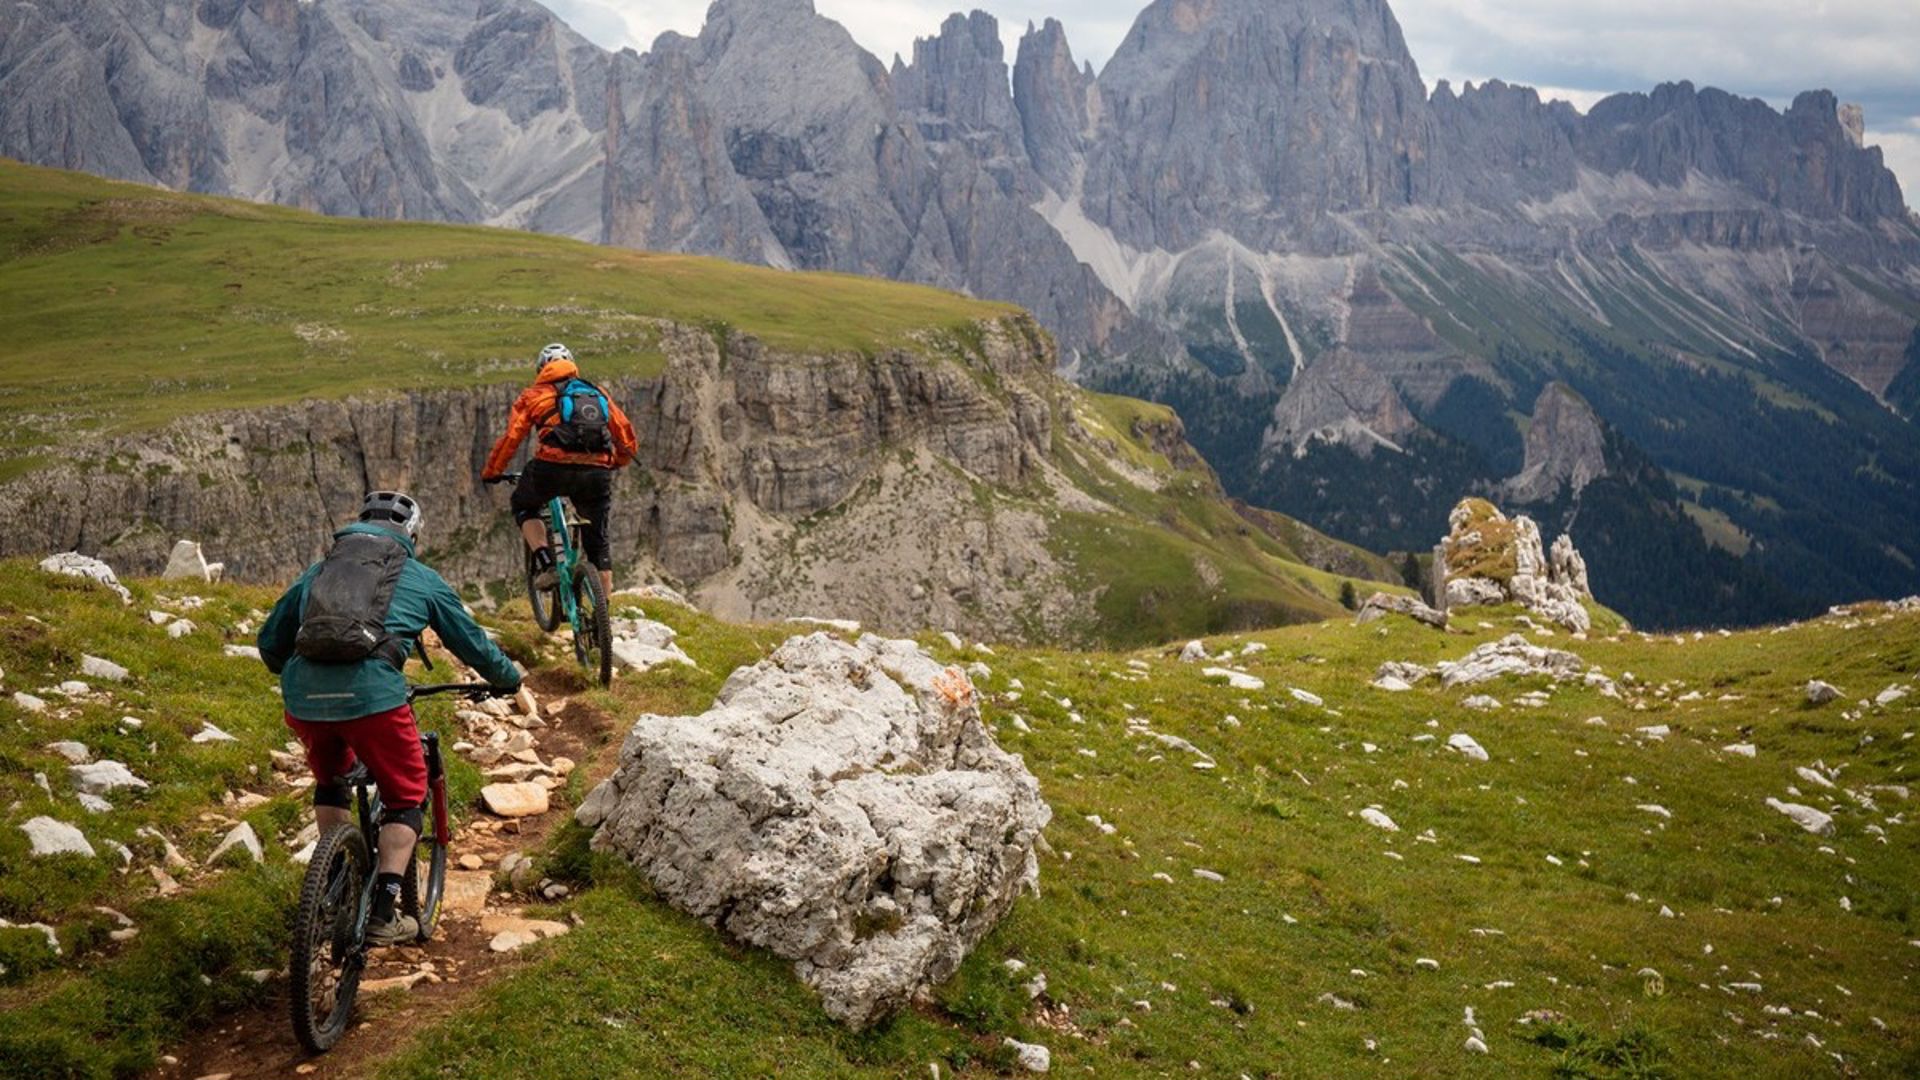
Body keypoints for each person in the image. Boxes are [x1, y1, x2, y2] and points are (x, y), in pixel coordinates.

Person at [258, 491, 523, 946]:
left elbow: (270, 645)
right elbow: (471, 641)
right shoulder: (420, 577)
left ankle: (333, 880)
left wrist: (311, 679)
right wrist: (507, 678)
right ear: (411, 534)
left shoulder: (317, 572)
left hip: (303, 698)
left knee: (332, 777)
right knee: (406, 793)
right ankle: (383, 912)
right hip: (375, 698)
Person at [480, 343, 637, 600]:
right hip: (596, 472)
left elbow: (512, 437)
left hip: (551, 468)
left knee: (523, 505)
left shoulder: (533, 396)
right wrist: (615, 462)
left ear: (541, 369)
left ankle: (545, 561)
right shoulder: (596, 393)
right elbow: (626, 437)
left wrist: (493, 471)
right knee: (598, 547)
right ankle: (602, 623)